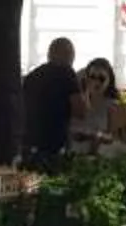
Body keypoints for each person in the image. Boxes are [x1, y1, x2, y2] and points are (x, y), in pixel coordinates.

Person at [21, 36, 84, 164]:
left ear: (49, 54)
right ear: (69, 55)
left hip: (29, 143)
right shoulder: (67, 74)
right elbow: (80, 111)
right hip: (54, 145)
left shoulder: (32, 76)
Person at [72, 56, 119, 148]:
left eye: (101, 78)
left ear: (109, 80)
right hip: (76, 150)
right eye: (92, 77)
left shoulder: (111, 104)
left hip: (99, 152)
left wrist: (98, 136)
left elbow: (112, 136)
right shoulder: (77, 99)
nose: (96, 81)